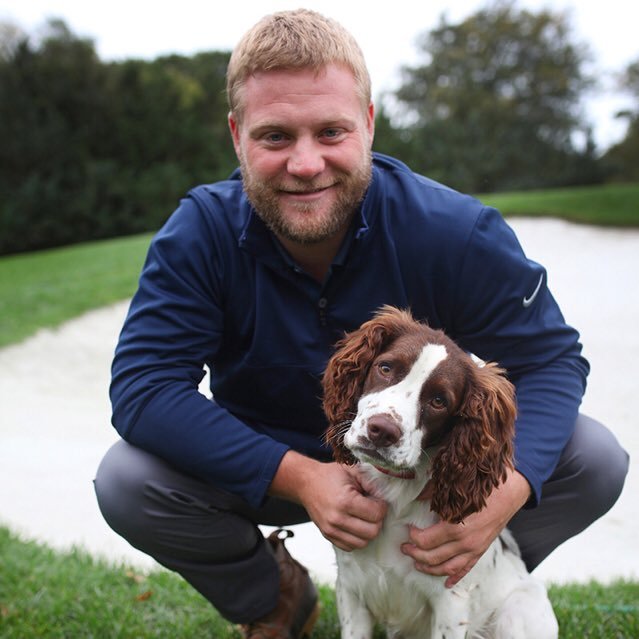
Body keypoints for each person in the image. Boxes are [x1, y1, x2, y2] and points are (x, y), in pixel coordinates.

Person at [94, 9, 629, 638]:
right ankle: (272, 598)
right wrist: (300, 476)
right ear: (237, 134)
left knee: (592, 459)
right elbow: (144, 388)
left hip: (422, 469)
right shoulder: (199, 234)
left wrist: (502, 497)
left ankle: (456, 578)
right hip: (275, 465)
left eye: (330, 132)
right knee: (130, 482)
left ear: (369, 125)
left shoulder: (455, 232)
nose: (305, 163)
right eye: (274, 137)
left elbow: (552, 363)